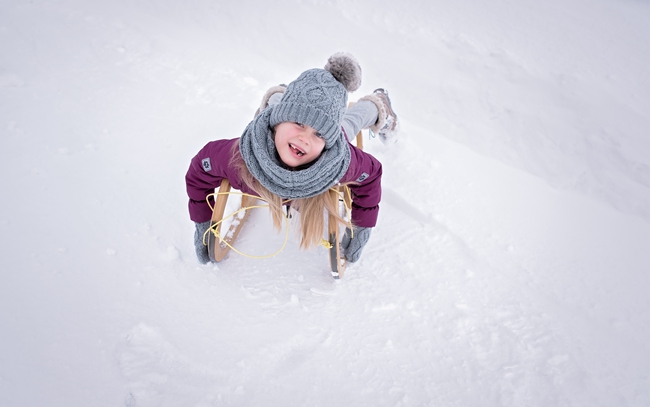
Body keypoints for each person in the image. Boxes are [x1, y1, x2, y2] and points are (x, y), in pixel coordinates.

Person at [185, 52, 399, 264]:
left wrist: (361, 226)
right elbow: (200, 169)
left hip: (331, 136)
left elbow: (371, 174)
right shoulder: (241, 158)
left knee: (350, 122)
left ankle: (378, 103)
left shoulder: (338, 162)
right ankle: (280, 97)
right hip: (279, 122)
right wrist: (203, 222)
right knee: (278, 106)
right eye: (299, 124)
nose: (305, 139)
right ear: (277, 122)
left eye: (319, 134)